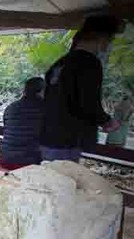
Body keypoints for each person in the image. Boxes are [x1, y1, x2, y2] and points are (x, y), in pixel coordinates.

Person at [40, 15, 123, 162]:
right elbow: (88, 102)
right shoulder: (89, 63)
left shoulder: (60, 63)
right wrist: (107, 121)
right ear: (101, 37)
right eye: (110, 39)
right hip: (68, 140)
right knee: (63, 181)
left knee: (49, 180)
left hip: (48, 136)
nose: (109, 44)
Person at [0, 77, 45, 170]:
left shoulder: (11, 107)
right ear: (41, 91)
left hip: (5, 159)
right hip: (29, 163)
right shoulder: (45, 108)